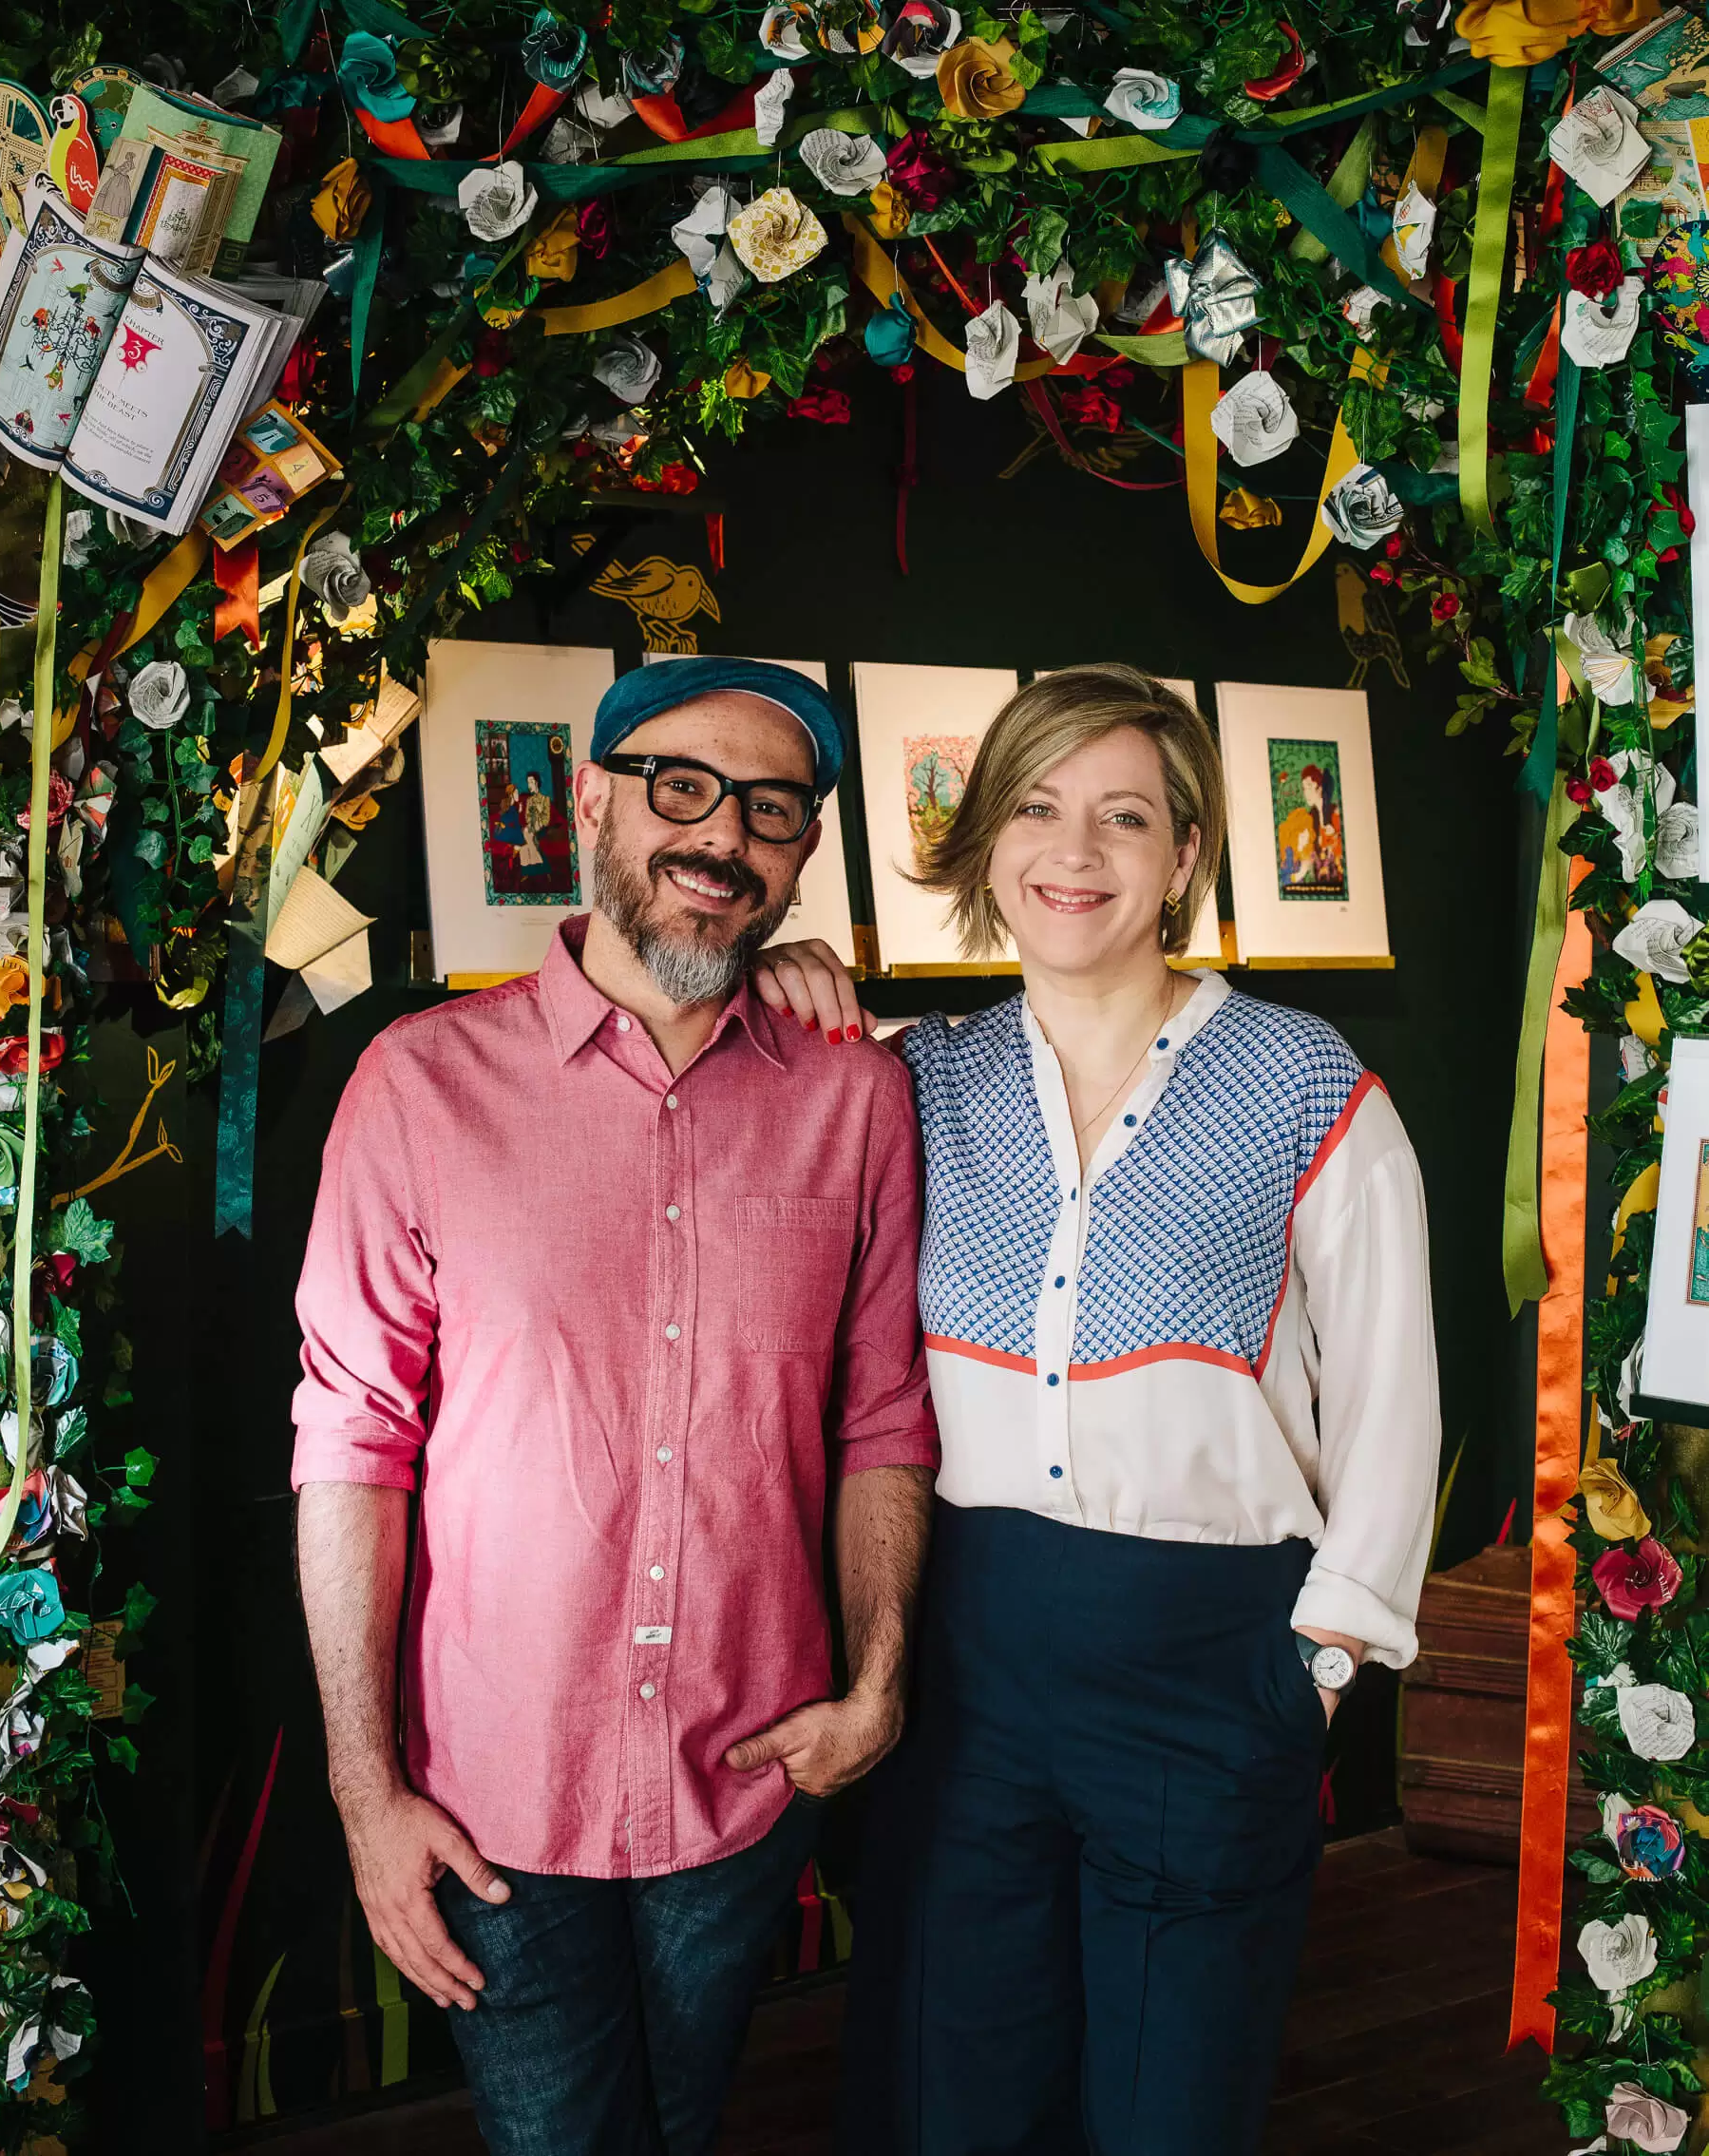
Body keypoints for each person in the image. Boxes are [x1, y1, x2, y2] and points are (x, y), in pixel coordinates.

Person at [752, 666, 1440, 2156]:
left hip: (1212, 1663)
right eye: (1039, 808)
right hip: (968, 1664)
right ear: (989, 840)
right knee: (957, 2096)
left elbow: (1395, 1402)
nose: (1075, 852)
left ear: (1183, 854)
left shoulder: (1301, 1085)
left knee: (1167, 2109)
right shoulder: (910, 1084)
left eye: (1124, 816)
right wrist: (775, 973)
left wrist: (1320, 1666)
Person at [292, 657, 939, 2156]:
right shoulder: (418, 1084)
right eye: (682, 787)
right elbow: (351, 1446)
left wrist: (880, 1682)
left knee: (687, 2122)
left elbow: (882, 1417)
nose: (720, 836)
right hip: (491, 1799)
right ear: (589, 797)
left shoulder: (855, 1098)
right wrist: (361, 1789)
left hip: (748, 1775)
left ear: (799, 855)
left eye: (771, 810)